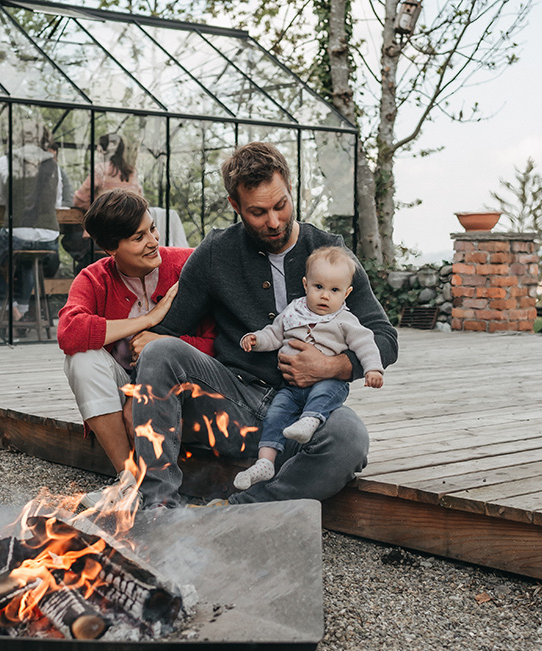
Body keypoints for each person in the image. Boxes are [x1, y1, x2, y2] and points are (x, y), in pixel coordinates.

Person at [128, 142, 398, 508]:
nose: (274, 221)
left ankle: (240, 509)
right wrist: (137, 338)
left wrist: (333, 366)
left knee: (348, 438)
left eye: (281, 205)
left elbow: (384, 338)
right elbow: (169, 333)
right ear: (235, 206)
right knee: (160, 352)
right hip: (231, 405)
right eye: (258, 212)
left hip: (304, 416)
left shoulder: (332, 254)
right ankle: (158, 506)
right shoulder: (215, 253)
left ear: (290, 187)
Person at [57, 189, 214, 482]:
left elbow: (219, 342)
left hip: (186, 391)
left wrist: (163, 351)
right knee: (82, 359)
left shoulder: (187, 266)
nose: (153, 242)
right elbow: (69, 333)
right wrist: (148, 319)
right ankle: (127, 478)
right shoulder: (94, 278)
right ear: (110, 249)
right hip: (122, 389)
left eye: (152, 228)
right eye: (138, 238)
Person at [233, 246, 385, 491]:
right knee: (276, 413)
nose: (325, 296)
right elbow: (274, 333)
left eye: (334, 290)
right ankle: (265, 461)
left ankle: (310, 421)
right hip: (290, 387)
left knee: (323, 393)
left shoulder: (345, 320)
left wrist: (373, 369)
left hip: (329, 382)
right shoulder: (294, 311)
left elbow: (366, 343)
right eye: (319, 287)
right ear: (306, 285)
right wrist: (256, 340)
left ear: (347, 293)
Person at [0, 124, 62, 322]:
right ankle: (24, 313)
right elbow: (57, 201)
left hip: (17, 233)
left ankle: (11, 308)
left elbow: (0, 198)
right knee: (27, 262)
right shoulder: (53, 165)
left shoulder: (6, 161)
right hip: (49, 238)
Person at [68, 134, 146, 273]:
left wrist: (95, 208)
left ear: (101, 149)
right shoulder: (131, 172)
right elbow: (140, 201)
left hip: (104, 235)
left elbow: (80, 198)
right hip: (130, 236)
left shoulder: (101, 170)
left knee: (70, 241)